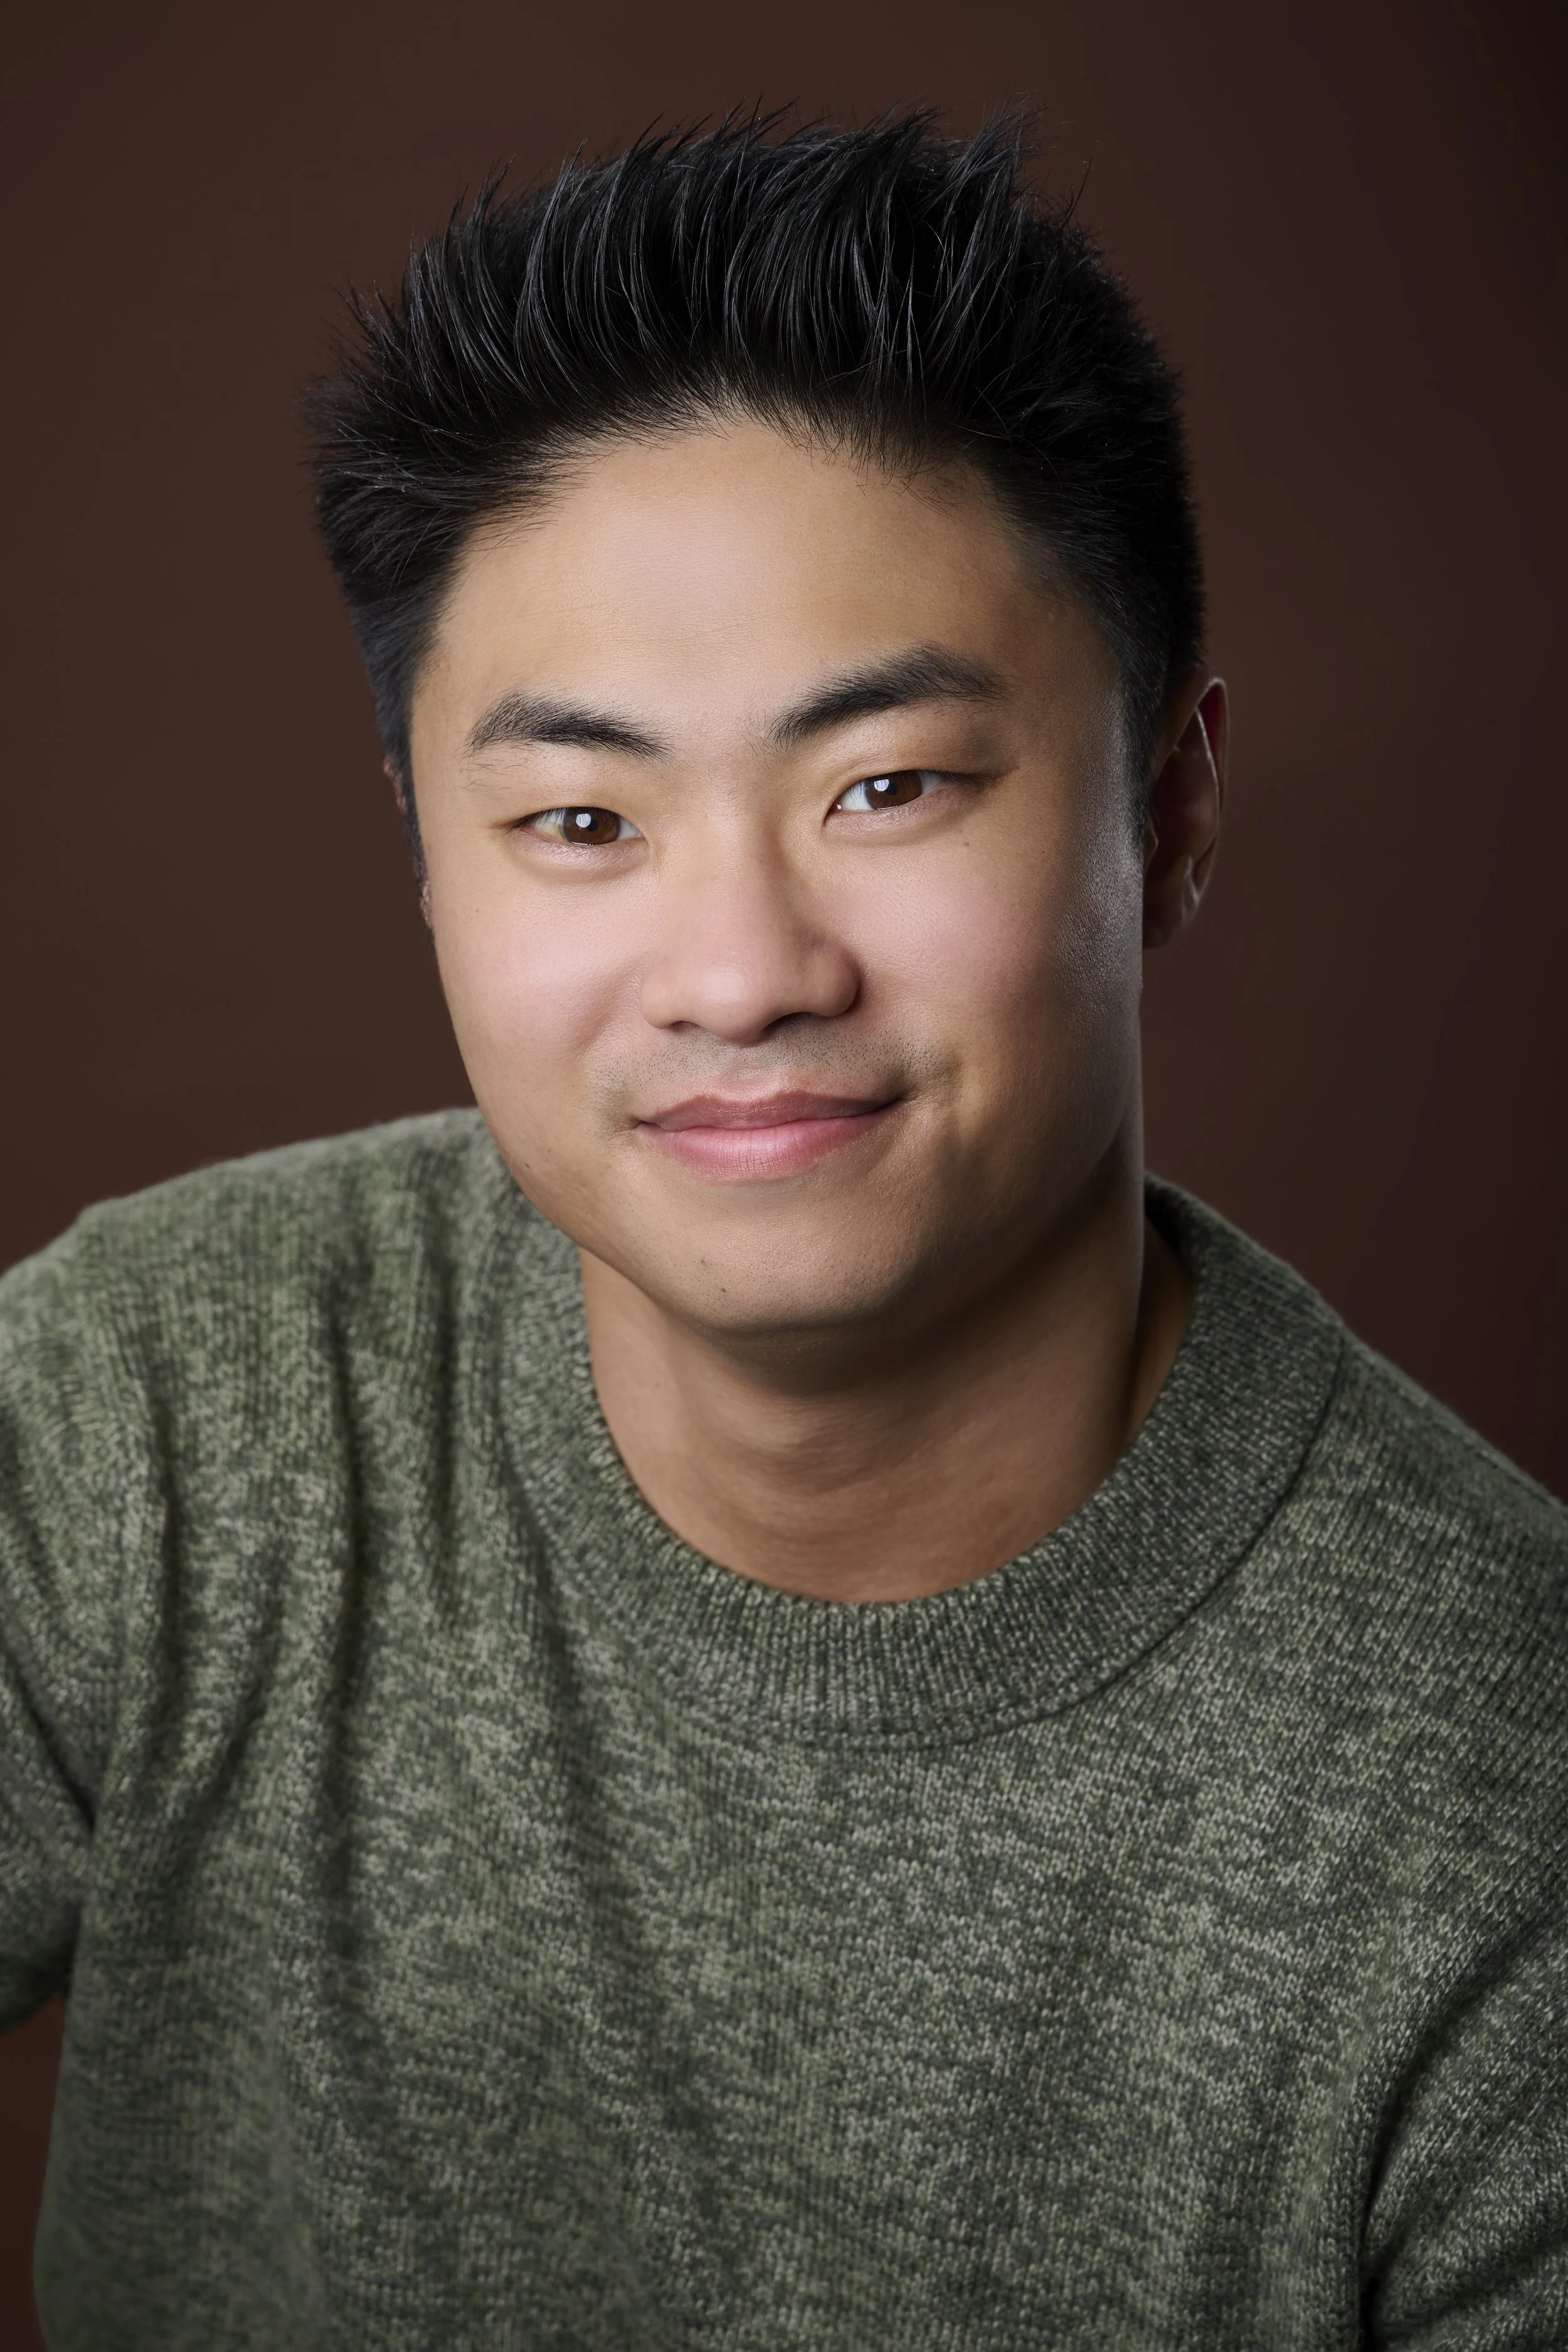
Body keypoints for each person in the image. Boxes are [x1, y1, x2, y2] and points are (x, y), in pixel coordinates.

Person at [1, 110, 1563, 2352]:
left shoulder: (1500, 1810)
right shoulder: (155, 1409)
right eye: (577, 818)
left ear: (1174, 803)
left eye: (887, 786)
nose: (739, 968)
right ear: (429, 864)